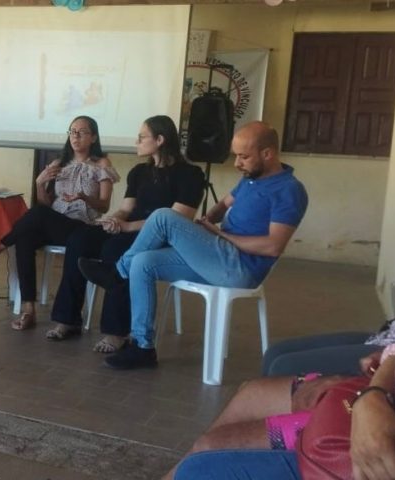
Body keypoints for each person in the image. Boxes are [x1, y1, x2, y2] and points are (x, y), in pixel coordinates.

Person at [79, 121, 308, 369]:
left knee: (163, 216)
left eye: (244, 157)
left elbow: (273, 246)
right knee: (143, 262)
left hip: (239, 268)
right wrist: (207, 221)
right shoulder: (251, 178)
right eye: (236, 156)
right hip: (217, 256)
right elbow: (224, 204)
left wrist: (220, 235)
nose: (237, 163)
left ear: (268, 154)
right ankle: (142, 348)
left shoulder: (289, 190)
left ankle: (117, 273)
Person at [46, 115, 205, 347]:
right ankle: (68, 319)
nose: (136, 142)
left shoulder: (190, 174)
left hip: (161, 236)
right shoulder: (139, 171)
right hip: (130, 228)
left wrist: (128, 226)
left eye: (142, 137)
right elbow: (126, 209)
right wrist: (114, 220)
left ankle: (116, 332)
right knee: (79, 239)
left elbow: (176, 218)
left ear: (160, 140)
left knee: (114, 249)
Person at [166, 345, 395, 480]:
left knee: (205, 457)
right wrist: (374, 393)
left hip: (367, 426)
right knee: (252, 392)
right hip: (371, 390)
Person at [0, 115, 119, 331]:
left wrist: (84, 197)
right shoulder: (59, 164)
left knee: (37, 215)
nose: (76, 136)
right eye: (72, 131)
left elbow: (104, 206)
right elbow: (46, 204)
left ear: (93, 137)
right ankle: (28, 309)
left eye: (82, 132)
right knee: (26, 236)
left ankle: (1, 243)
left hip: (81, 227)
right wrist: (39, 184)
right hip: (55, 222)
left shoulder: (102, 164)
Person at [261, 293, 395, 376]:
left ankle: (279, 414)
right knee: (275, 352)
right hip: (389, 334)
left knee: (283, 366)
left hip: (392, 352)